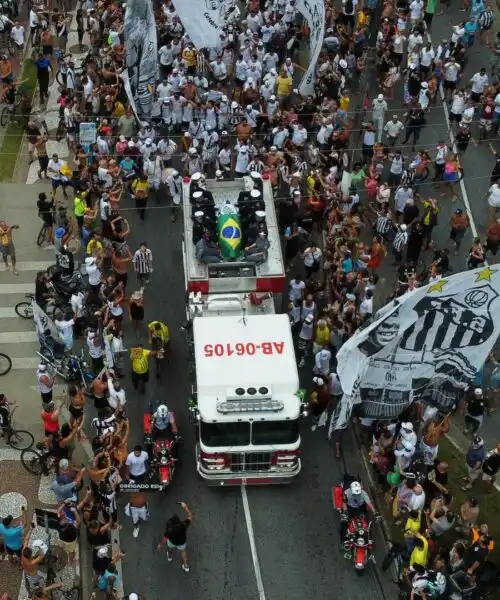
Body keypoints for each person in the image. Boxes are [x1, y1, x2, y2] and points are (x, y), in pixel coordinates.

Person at [157, 502, 193, 573]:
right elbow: (190, 516)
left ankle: (170, 556)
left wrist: (160, 544)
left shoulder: (170, 530)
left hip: (172, 542)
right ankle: (186, 566)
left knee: (169, 547)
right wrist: (185, 507)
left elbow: (165, 539)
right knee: (183, 552)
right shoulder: (183, 525)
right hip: (182, 542)